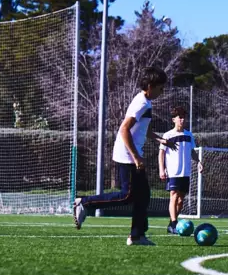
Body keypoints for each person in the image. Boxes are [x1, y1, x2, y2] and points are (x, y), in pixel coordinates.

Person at [73, 67, 168, 245]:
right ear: (150, 86)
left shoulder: (146, 102)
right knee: (127, 196)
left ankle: (137, 236)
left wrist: (160, 139)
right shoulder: (141, 103)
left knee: (143, 196)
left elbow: (144, 129)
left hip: (132, 154)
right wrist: (136, 157)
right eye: (160, 88)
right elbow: (124, 129)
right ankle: (84, 203)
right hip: (127, 155)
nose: (162, 92)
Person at [158, 105, 201, 234]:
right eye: (180, 117)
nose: (182, 120)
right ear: (174, 120)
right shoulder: (168, 135)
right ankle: (174, 224)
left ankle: (172, 222)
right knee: (174, 196)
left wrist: (198, 162)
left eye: (184, 117)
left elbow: (192, 151)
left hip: (185, 172)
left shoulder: (189, 135)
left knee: (181, 200)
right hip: (173, 172)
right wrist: (161, 169)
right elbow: (161, 153)